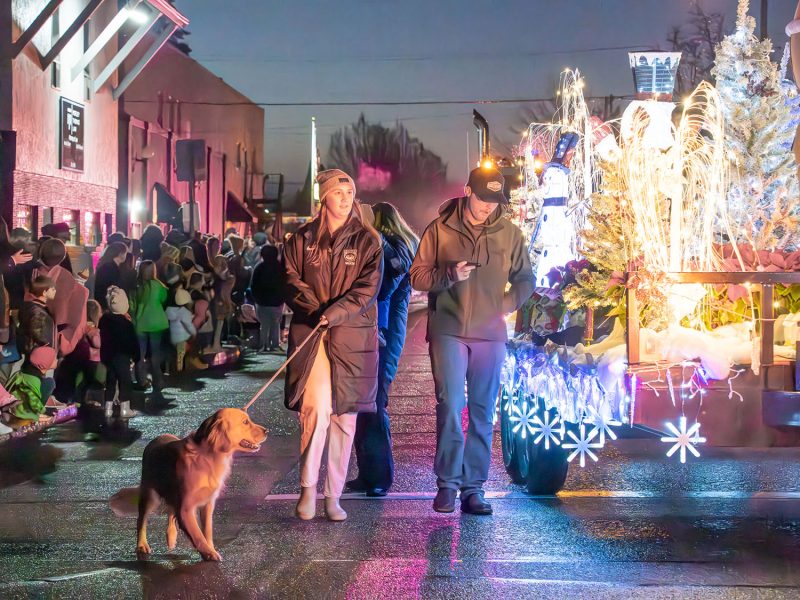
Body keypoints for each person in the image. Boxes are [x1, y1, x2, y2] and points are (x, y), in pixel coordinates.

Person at [410, 165, 533, 515]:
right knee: (451, 405)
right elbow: (417, 276)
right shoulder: (440, 228)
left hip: (490, 334)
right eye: (482, 199)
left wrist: (505, 304)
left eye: (495, 201)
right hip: (448, 330)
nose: (488, 206)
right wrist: (449, 274)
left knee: (483, 410)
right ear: (467, 192)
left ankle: (473, 488)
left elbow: (526, 278)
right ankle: (447, 485)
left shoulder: (509, 233)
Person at [283, 168, 382, 522]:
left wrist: (335, 313)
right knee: (316, 409)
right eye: (338, 192)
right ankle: (308, 488)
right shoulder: (301, 239)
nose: (345, 198)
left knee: (345, 417)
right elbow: (290, 280)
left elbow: (367, 289)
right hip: (313, 335)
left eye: (350, 192)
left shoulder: (368, 241)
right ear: (324, 197)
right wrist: (317, 312)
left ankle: (333, 495)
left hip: (353, 337)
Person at [348, 202, 418, 497]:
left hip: (385, 333)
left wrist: (375, 238)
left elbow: (386, 286)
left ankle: (379, 477)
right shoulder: (394, 245)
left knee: (375, 403)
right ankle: (368, 474)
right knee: (363, 405)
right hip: (376, 331)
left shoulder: (396, 247)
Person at [100, 286, 140, 418]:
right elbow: (133, 342)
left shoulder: (104, 321)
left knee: (111, 380)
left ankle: (108, 408)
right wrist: (136, 356)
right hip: (122, 356)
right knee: (125, 381)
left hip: (108, 355)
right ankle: (125, 408)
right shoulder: (126, 324)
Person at [130, 261, 168, 393]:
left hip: (141, 323)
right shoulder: (158, 285)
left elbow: (134, 305)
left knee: (140, 354)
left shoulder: (136, 286)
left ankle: (142, 381)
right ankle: (158, 381)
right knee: (155, 354)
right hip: (156, 322)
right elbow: (163, 298)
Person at [250, 244, 285, 353]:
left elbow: (253, 285)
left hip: (262, 302)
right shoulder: (280, 267)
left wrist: (256, 299)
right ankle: (275, 345)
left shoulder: (259, 267)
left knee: (264, 325)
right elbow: (285, 284)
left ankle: (263, 345)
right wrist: (283, 298)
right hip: (277, 302)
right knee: (275, 324)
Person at [166, 288, 196, 373]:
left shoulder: (168, 310)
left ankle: (169, 370)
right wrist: (194, 333)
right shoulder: (184, 312)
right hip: (182, 338)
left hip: (172, 337)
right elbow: (188, 325)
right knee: (181, 356)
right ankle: (179, 371)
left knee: (174, 354)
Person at [94, 242, 128, 310]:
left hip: (104, 302)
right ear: (120, 254)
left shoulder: (108, 266)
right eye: (125, 253)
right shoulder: (111, 268)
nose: (126, 256)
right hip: (108, 304)